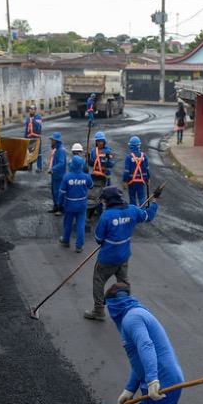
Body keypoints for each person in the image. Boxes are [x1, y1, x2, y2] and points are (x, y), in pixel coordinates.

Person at [83, 184, 161, 321]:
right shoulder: (132, 210)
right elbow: (148, 216)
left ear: (109, 200)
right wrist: (155, 200)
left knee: (99, 281)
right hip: (123, 257)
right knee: (124, 283)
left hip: (106, 259)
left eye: (105, 200)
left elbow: (99, 239)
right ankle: (126, 310)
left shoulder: (107, 216)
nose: (104, 203)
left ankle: (98, 311)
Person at [59, 156, 94, 253]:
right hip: (82, 205)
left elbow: (61, 193)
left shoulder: (67, 177)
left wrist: (59, 204)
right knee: (81, 225)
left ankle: (66, 240)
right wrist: (87, 173)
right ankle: (79, 246)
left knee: (68, 224)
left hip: (69, 205)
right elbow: (91, 186)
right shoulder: (86, 176)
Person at [122, 136, 151, 207]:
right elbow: (147, 169)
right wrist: (148, 179)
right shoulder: (144, 156)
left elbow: (126, 171)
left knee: (132, 198)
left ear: (130, 146)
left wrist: (125, 181)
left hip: (132, 182)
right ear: (139, 145)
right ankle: (143, 212)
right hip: (141, 181)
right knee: (141, 197)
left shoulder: (129, 157)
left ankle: (134, 212)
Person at [46, 132, 67, 214]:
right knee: (54, 191)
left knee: (59, 192)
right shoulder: (56, 149)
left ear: (57, 141)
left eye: (53, 139)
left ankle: (61, 208)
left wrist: (53, 169)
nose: (51, 141)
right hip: (55, 175)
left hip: (59, 175)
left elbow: (61, 163)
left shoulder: (60, 151)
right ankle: (56, 206)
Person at [25, 104, 43, 171]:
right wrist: (25, 138)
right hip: (30, 138)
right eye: (30, 109)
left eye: (32, 109)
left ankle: (39, 167)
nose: (31, 111)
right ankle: (29, 166)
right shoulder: (28, 119)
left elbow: (38, 125)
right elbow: (26, 129)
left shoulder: (38, 117)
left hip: (37, 138)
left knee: (38, 153)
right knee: (29, 153)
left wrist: (33, 120)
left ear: (35, 110)